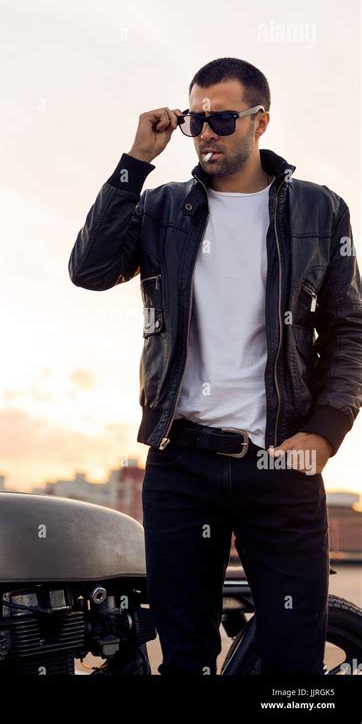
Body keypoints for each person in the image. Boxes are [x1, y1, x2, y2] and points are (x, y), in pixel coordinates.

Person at [68, 57, 362, 675]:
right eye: (194, 120)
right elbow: (90, 271)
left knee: (294, 664)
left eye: (222, 119)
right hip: (182, 463)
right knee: (185, 658)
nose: (205, 133)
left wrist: (326, 432)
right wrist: (134, 163)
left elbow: (348, 329)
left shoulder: (319, 211)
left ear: (262, 121)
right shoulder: (162, 209)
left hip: (282, 462)